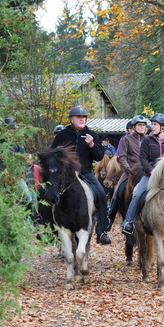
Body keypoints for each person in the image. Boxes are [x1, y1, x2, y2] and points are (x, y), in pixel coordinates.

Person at [50, 105, 111, 245]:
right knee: (46, 191)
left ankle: (102, 231)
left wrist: (91, 145)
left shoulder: (92, 135)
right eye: (79, 117)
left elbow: (99, 156)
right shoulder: (62, 135)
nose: (82, 119)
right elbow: (52, 154)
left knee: (101, 194)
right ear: (71, 119)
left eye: (84, 117)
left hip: (85, 173)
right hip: (65, 175)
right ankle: (48, 228)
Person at [107, 115, 147, 230]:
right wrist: (127, 168)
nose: (142, 127)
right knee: (118, 190)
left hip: (146, 171)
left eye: (143, 125)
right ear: (134, 127)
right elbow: (122, 157)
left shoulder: (148, 139)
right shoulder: (126, 139)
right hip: (130, 171)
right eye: (139, 125)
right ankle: (110, 216)